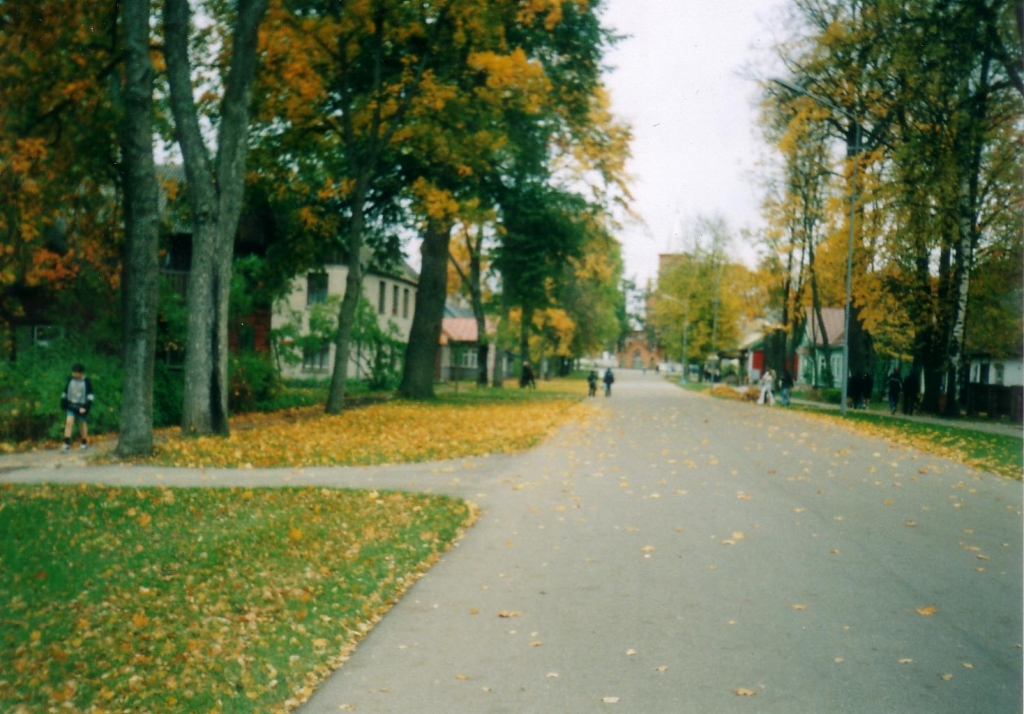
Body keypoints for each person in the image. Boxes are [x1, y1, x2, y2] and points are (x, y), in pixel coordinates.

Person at [61, 363, 94, 451]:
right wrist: (63, 403)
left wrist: (86, 407)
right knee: (69, 422)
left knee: (82, 423)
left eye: (76, 373)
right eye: (74, 372)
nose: (74, 374)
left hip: (82, 405)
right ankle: (66, 443)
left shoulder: (86, 381)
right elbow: (65, 392)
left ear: (81, 373)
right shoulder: (70, 380)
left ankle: (84, 442)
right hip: (71, 404)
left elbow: (90, 396)